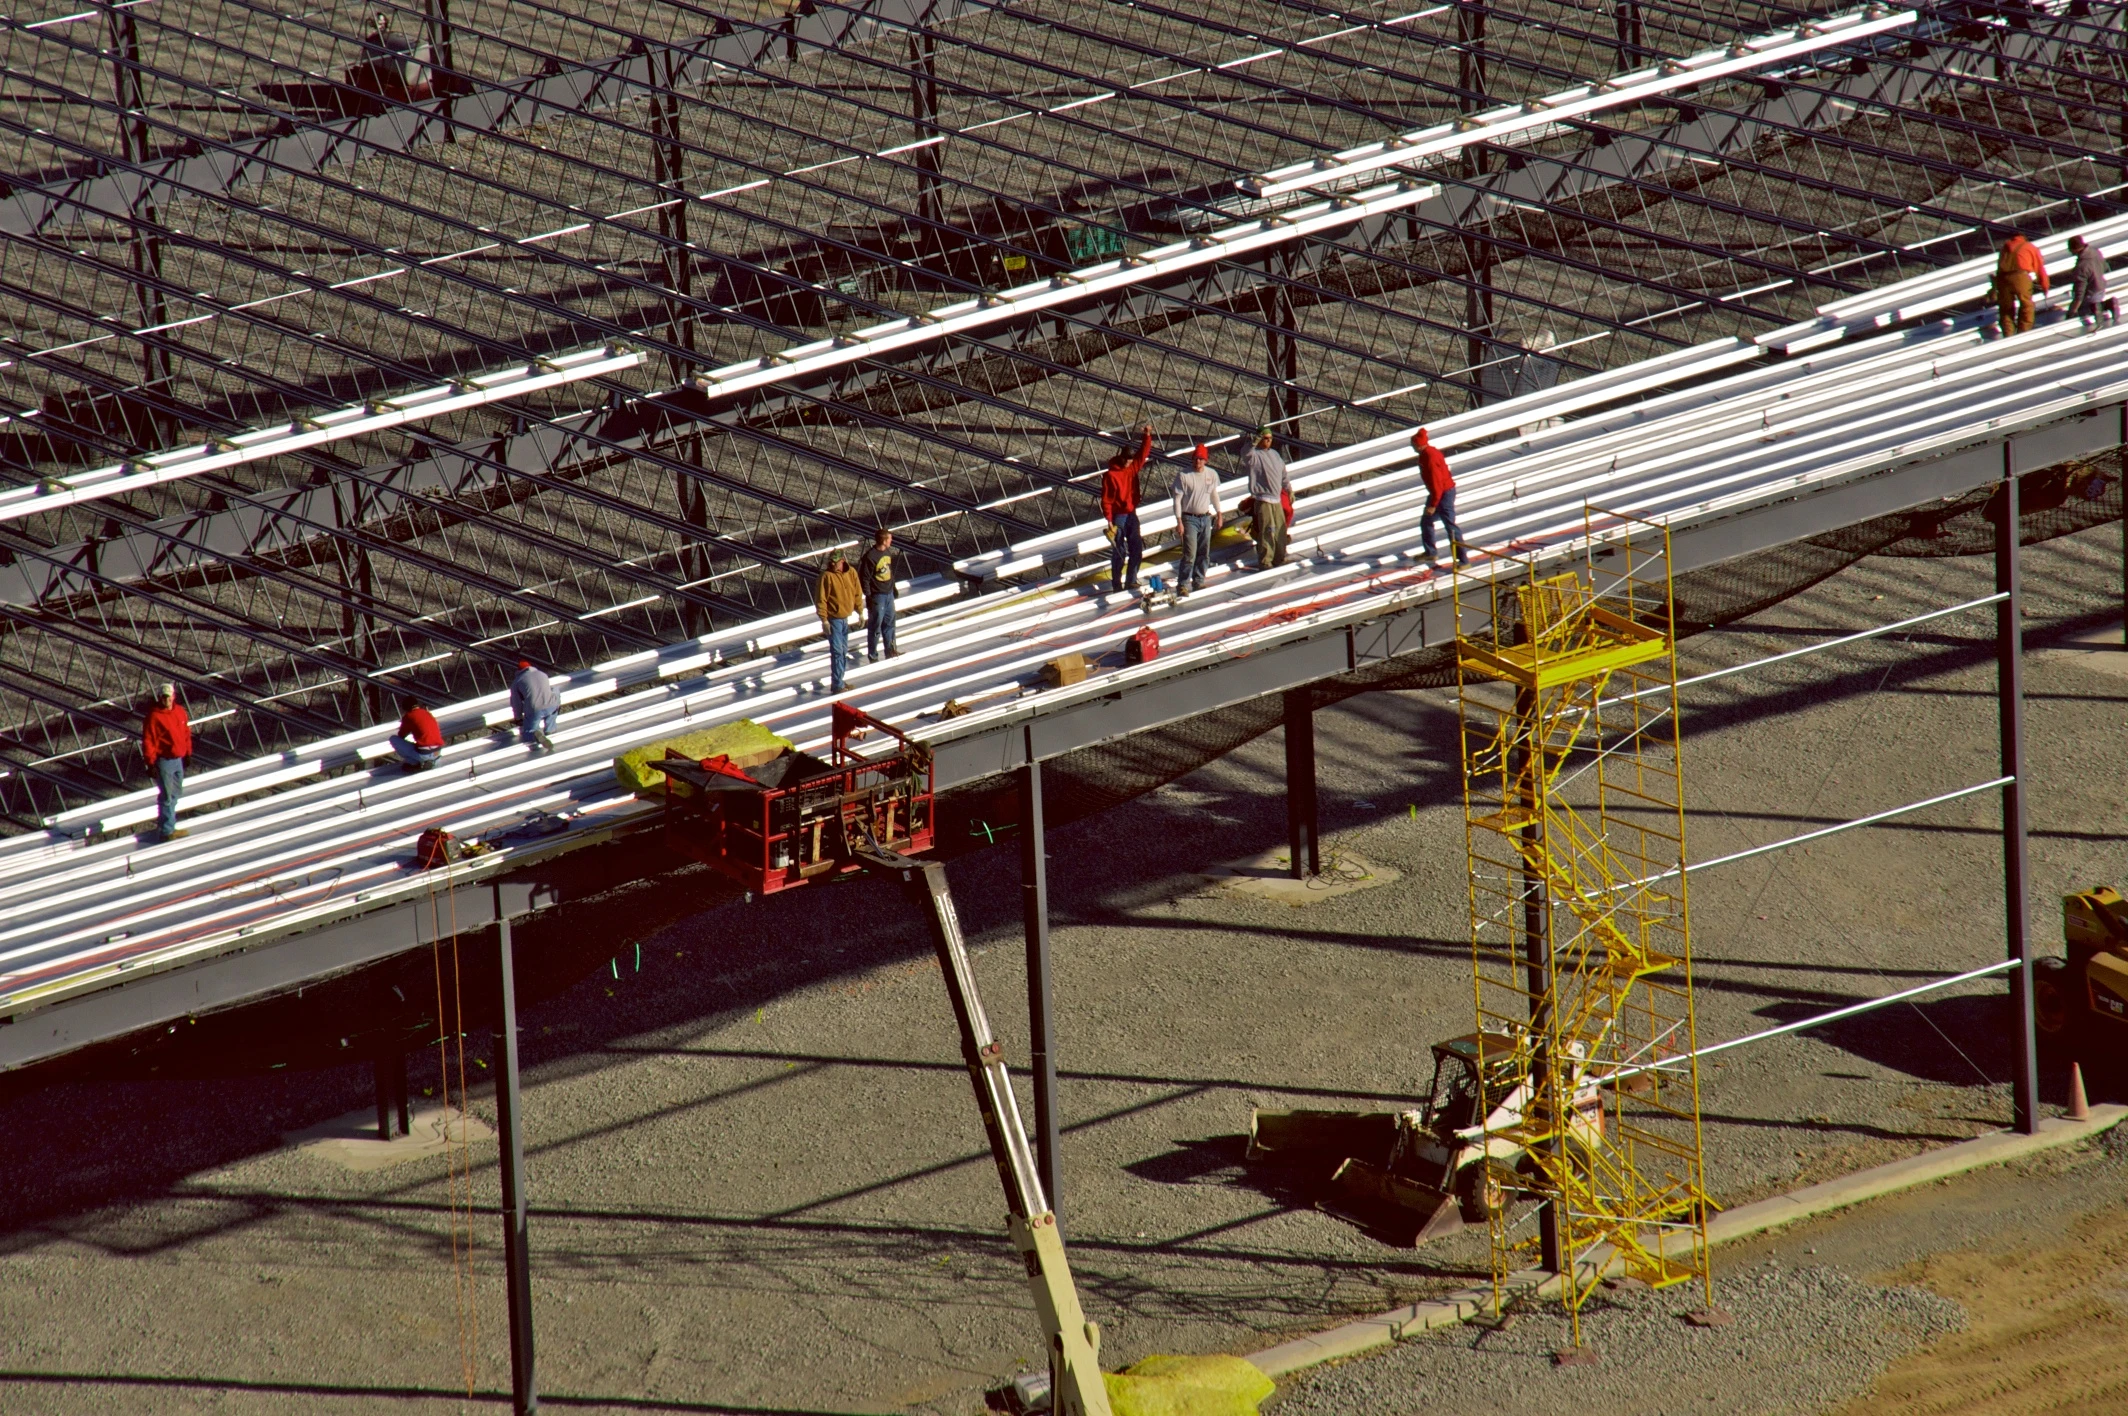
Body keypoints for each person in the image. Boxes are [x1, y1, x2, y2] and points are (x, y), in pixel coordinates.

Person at [1100, 423, 1154, 594]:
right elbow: (1107, 499)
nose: (1128, 462)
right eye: (1126, 460)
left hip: (1131, 513)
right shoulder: (1111, 475)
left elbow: (1143, 453)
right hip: (1119, 516)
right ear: (1121, 458)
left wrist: (1147, 436)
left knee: (1136, 547)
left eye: (1130, 460)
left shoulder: (1132, 468)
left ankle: (1131, 580)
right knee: (1119, 551)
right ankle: (1117, 583)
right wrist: (1109, 520)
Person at [141, 682, 192, 842]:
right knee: (167, 796)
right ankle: (166, 831)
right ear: (159, 697)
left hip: (178, 758)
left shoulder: (180, 712)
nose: (167, 700)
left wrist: (187, 752)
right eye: (164, 697)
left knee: (176, 792)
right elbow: (149, 740)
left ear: (173, 696)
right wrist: (150, 762)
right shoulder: (154, 716)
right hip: (164, 760)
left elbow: (185, 733)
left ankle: (169, 826)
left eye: (169, 697)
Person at [1413, 428, 1468, 570]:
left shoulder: (1430, 457)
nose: (1412, 447)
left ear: (1418, 445)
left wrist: (1433, 504)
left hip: (1443, 494)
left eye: (1413, 444)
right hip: (1439, 493)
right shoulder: (1428, 453)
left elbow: (1437, 483)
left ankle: (1463, 560)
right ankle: (1430, 552)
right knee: (1426, 521)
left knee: (1450, 527)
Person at [1170, 441, 1221, 595]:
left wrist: (1219, 513)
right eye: (1196, 459)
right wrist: (1179, 521)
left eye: (1201, 459)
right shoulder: (1184, 476)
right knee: (1190, 553)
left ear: (1205, 460)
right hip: (1189, 518)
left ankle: (1199, 580)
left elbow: (1213, 495)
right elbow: (1177, 500)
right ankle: (1183, 584)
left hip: (1205, 517)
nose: (1198, 462)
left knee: (1204, 552)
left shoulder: (1211, 474)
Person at [815, 548, 862, 692]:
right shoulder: (826, 576)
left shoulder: (851, 572)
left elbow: (857, 592)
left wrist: (860, 611)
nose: (832, 564)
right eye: (831, 562)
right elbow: (821, 599)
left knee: (843, 651)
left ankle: (839, 679)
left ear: (842, 561)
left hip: (844, 618)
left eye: (835, 562)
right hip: (833, 619)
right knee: (837, 651)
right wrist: (824, 620)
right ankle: (837, 684)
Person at [1242, 428, 1288, 570]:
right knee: (1267, 531)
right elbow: (1246, 453)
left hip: (1276, 499)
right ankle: (1265, 561)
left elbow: (1283, 474)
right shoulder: (1255, 456)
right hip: (1263, 499)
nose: (1268, 441)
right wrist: (1253, 442)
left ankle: (1279, 557)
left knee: (1280, 530)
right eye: (1265, 438)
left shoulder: (1275, 454)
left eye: (1270, 438)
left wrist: (1288, 489)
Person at [1993, 231, 2049, 338]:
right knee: (2026, 305)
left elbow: (1999, 267)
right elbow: (2039, 268)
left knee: (2006, 308)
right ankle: (2023, 333)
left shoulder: (2005, 248)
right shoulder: (2029, 247)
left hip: (2003, 279)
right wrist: (2044, 285)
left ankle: (2008, 334)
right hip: (2020, 277)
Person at [858, 528, 901, 662]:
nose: (891, 541)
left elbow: (889, 572)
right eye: (889, 539)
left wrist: (893, 587)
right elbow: (864, 578)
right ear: (884, 540)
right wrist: (869, 596)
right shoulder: (870, 557)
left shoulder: (887, 552)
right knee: (875, 626)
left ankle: (891, 650)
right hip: (877, 596)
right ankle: (873, 655)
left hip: (888, 593)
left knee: (890, 624)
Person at [2067, 235, 2118, 330]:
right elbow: (2105, 267)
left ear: (2074, 249)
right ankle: (2106, 304)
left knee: (2082, 311)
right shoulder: (2096, 252)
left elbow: (2079, 293)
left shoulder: (2081, 266)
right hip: (2101, 287)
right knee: (2095, 300)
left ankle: (2097, 307)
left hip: (2091, 293)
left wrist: (2072, 311)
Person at [510, 659, 559, 753]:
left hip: (535, 709)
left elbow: (516, 702)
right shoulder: (543, 674)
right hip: (552, 705)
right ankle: (550, 730)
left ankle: (535, 735)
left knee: (528, 732)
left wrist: (518, 717)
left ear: (518, 670)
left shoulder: (517, 681)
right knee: (554, 695)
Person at [390, 695, 443, 771]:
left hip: (424, 754)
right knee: (421, 746)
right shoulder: (427, 713)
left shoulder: (409, 716)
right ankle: (428, 762)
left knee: (393, 739)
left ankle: (414, 763)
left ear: (406, 708)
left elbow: (401, 735)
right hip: (437, 752)